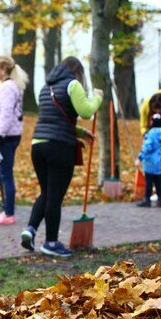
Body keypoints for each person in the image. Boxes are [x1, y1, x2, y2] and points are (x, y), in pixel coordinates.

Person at [21, 56, 102, 258]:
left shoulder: (45, 88)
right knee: (55, 196)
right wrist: (97, 97)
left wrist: (82, 134)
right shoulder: (73, 84)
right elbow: (86, 112)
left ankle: (30, 229)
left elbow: (55, 120)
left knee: (47, 191)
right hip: (59, 147)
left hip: (38, 145)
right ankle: (50, 242)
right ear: (77, 71)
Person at [0, 55, 30, 226]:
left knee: (6, 175)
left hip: (6, 137)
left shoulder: (7, 88)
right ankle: (8, 211)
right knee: (6, 173)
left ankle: (9, 214)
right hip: (10, 135)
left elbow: (6, 114)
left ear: (4, 69)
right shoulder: (10, 86)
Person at [136, 111, 161, 207]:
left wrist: (139, 158)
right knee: (159, 181)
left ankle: (147, 200)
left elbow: (147, 148)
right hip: (160, 161)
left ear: (152, 122)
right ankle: (160, 200)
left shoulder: (151, 134)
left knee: (149, 183)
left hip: (150, 162)